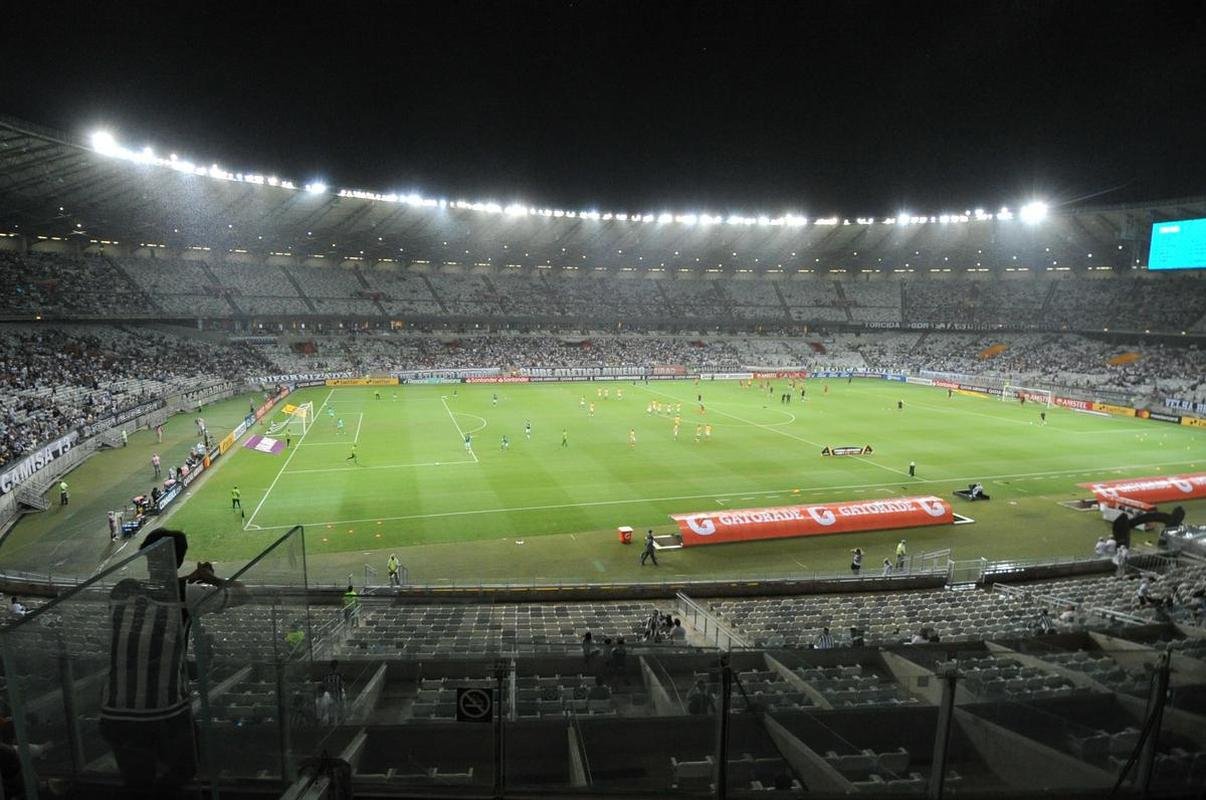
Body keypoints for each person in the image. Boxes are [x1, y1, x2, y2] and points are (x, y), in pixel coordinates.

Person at [99, 530, 247, 800]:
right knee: (189, 764)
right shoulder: (186, 595)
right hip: (163, 714)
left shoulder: (122, 590)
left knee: (136, 785)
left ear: (146, 557)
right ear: (178, 560)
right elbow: (242, 593)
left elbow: (155, 590)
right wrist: (208, 578)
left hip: (112, 713)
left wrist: (188, 579)